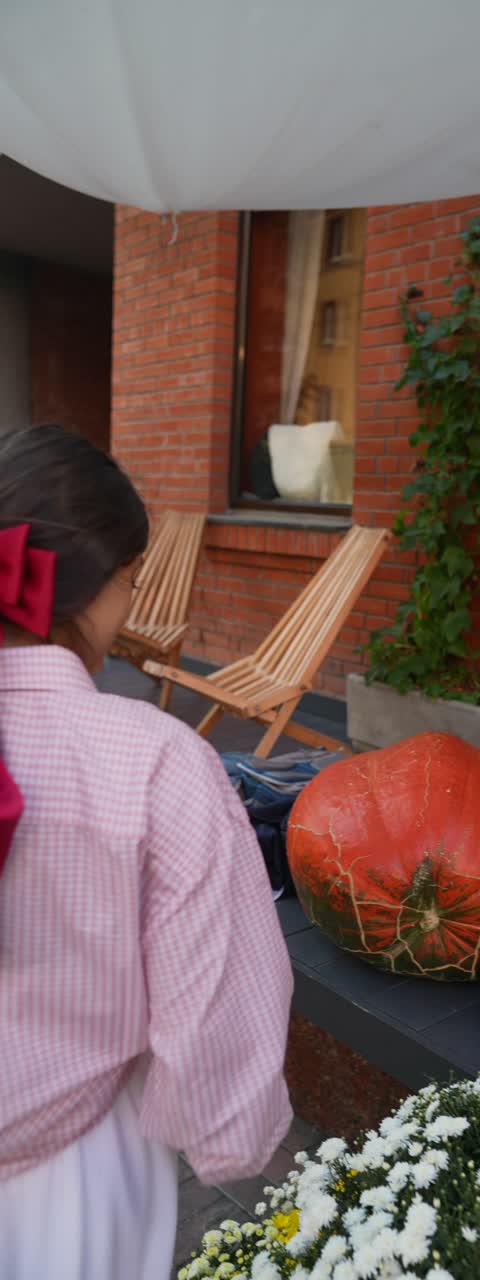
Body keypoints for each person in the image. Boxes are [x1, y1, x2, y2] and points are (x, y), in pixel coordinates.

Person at [0, 424, 293, 1279]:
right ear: (97, 584)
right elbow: (215, 1004)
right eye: (131, 579)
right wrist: (225, 1127)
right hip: (70, 1185)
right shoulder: (157, 764)